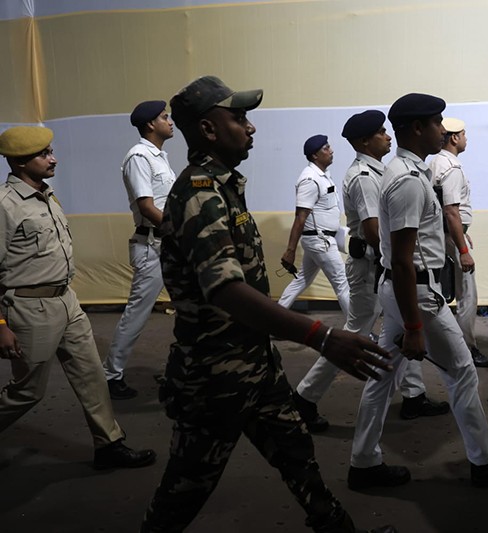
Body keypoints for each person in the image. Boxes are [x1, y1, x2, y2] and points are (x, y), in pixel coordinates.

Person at [141, 76, 395, 533]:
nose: (251, 128)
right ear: (209, 130)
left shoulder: (223, 185)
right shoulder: (200, 192)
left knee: (297, 455)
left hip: (253, 361)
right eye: (238, 119)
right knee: (185, 489)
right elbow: (225, 290)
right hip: (214, 376)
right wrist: (321, 335)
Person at [348, 93, 488, 491]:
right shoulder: (409, 182)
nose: (442, 131)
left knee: (382, 377)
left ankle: (363, 462)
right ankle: (485, 461)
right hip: (415, 294)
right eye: (437, 123)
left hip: (404, 291)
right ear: (418, 128)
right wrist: (414, 325)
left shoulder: (402, 171)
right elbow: (401, 259)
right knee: (463, 372)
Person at [0, 126, 156, 470]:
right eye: (44, 154)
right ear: (20, 162)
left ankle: (109, 444)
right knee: (27, 391)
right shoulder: (5, 206)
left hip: (67, 301)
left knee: (91, 375)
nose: (53, 158)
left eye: (51, 151)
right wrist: (0, 325)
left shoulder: (47, 195)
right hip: (29, 307)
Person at [292, 110, 447, 431]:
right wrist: (403, 258)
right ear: (364, 141)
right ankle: (304, 398)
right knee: (355, 336)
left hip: (380, 266)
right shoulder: (363, 177)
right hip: (369, 269)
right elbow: (374, 231)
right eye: (380, 133)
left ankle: (414, 395)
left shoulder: (379, 171)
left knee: (402, 325)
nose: (388, 136)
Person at [104, 100, 177, 399]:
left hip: (169, 245)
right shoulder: (138, 157)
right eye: (164, 117)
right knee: (137, 314)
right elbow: (147, 207)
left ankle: (182, 370)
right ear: (150, 124)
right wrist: (181, 231)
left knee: (190, 309)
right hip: (153, 246)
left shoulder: (160, 157)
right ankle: (110, 375)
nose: (170, 120)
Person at [429, 117, 488, 368]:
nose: (467, 138)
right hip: (450, 238)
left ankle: (447, 343)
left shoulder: (436, 162)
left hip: (445, 235)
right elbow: (451, 211)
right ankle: (466, 348)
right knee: (467, 295)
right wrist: (463, 249)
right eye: (465, 134)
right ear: (455, 138)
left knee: (441, 292)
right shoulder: (452, 168)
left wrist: (460, 233)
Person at [278, 135, 350, 316]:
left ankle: (274, 318)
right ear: (315, 155)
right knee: (343, 283)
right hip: (320, 242)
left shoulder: (323, 176)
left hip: (321, 239)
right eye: (326, 148)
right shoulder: (309, 180)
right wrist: (290, 250)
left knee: (302, 280)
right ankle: (359, 331)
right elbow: (300, 217)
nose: (331, 150)